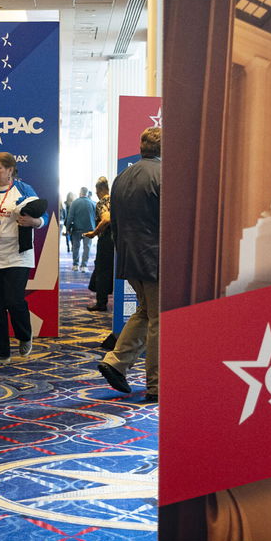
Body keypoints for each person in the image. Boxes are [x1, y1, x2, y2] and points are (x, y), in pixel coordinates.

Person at [97, 127, 161, 401]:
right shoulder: (163, 176)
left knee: (146, 312)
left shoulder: (121, 177)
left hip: (130, 257)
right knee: (161, 320)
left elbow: (116, 222)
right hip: (157, 258)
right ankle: (158, 385)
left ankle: (116, 362)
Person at [0, 152, 47, 363]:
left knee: (14, 301)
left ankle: (24, 335)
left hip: (16, 256)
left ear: (10, 170)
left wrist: (35, 222)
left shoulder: (23, 190)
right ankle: (1, 351)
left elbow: (44, 215)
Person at [84, 176, 114, 312]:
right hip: (118, 241)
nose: (96, 194)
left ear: (100, 189)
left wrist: (94, 233)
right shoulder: (116, 200)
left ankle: (101, 303)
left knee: (102, 271)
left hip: (106, 240)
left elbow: (106, 219)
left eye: (96, 191)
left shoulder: (102, 202)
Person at [67, 189, 97, 271]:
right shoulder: (93, 203)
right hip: (89, 229)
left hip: (77, 229)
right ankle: (84, 266)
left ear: (80, 193)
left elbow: (70, 217)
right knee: (87, 247)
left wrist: (68, 228)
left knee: (76, 247)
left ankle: (75, 265)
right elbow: (97, 217)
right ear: (87, 194)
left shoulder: (74, 203)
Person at [62, 191, 76, 256]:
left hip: (67, 220)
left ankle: (69, 247)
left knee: (68, 234)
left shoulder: (66, 203)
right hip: (71, 221)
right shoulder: (74, 203)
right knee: (70, 235)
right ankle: (71, 246)